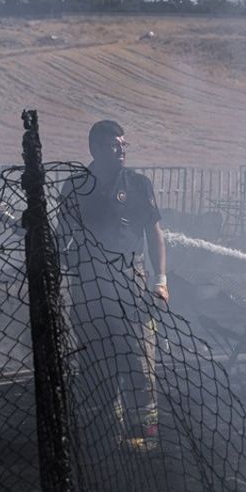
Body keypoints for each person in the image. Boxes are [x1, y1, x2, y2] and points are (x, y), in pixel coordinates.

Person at [63, 119, 168, 450]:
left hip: (130, 279)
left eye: (124, 145)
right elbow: (63, 235)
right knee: (97, 360)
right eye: (113, 145)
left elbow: (154, 233)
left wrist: (160, 280)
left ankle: (145, 433)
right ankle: (109, 433)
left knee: (138, 357)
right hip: (89, 284)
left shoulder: (138, 184)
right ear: (94, 149)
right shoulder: (76, 185)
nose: (121, 151)